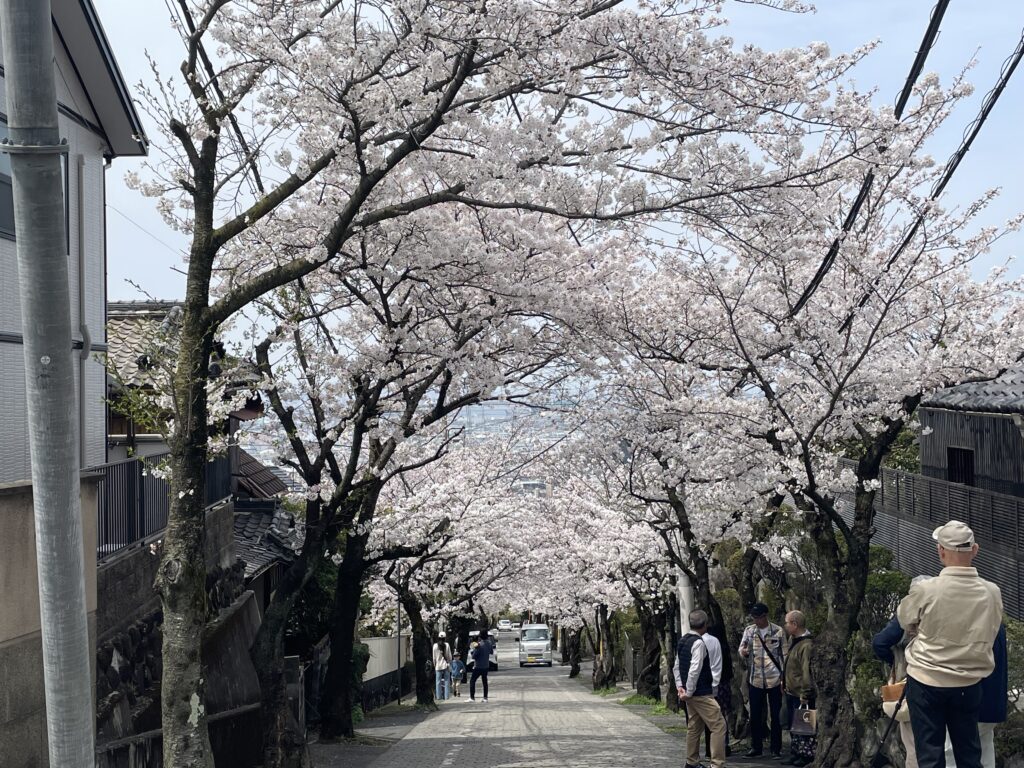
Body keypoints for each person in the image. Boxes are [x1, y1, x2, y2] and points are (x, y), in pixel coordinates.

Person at [896, 521, 1002, 768]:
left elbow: (904, 618)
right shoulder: (991, 592)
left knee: (930, 755)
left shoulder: (927, 589)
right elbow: (993, 629)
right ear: (975, 550)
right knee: (969, 753)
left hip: (926, 679)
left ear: (940, 551)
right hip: (969, 681)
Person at [674, 609, 728, 768]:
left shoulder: (683, 640)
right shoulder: (699, 643)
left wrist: (680, 688)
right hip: (701, 692)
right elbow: (695, 670)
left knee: (694, 726)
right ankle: (717, 764)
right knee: (718, 725)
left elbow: (676, 666)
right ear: (705, 624)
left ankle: (691, 761)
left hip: (687, 691)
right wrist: (688, 692)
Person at [872, 613, 920, 768]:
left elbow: (880, 643)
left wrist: (896, 660)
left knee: (913, 742)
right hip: (952, 685)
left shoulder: (911, 609)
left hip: (911, 681)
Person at [738, 602, 785, 759]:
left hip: (774, 679)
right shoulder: (750, 631)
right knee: (756, 714)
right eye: (755, 617)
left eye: (759, 617)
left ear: (766, 616)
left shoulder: (778, 631)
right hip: (755, 678)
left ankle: (776, 748)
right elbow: (741, 648)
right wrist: (743, 652)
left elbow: (784, 655)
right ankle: (756, 746)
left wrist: (784, 677)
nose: (757, 620)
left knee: (776, 714)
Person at [782, 610, 815, 767]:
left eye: (787, 622)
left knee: (805, 726)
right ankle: (795, 752)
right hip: (791, 690)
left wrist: (806, 692)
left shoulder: (806, 645)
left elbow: (806, 671)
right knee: (794, 725)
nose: (785, 626)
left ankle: (805, 755)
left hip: (801, 692)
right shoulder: (793, 641)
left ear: (794, 624)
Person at [470, 629, 492, 702]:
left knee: (472, 681)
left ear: (480, 636)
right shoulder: (489, 643)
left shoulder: (479, 645)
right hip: (486, 665)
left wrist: (473, 650)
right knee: (484, 682)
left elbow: (474, 656)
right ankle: (485, 698)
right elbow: (491, 651)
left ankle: (472, 697)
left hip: (478, 666)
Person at [432, 631, 452, 701]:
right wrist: (449, 662)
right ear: (445, 638)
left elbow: (434, 658)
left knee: (438, 682)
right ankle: (446, 697)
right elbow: (449, 656)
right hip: (445, 665)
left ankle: (438, 697)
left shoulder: (435, 646)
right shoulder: (447, 645)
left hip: (438, 666)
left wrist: (435, 665)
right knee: (447, 681)